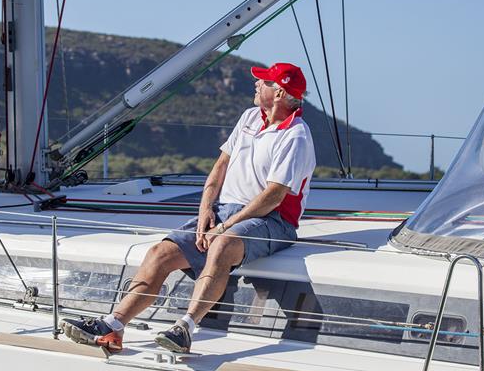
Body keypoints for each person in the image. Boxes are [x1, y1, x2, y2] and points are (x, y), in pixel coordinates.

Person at [62, 62, 316, 353]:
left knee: (222, 245)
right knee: (159, 253)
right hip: (226, 211)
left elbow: (274, 196)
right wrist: (205, 211)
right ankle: (112, 326)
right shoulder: (249, 117)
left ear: (280, 93)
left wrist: (222, 227)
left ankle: (185, 329)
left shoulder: (296, 135)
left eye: (264, 82)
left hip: (273, 220)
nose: (257, 84)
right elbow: (221, 165)